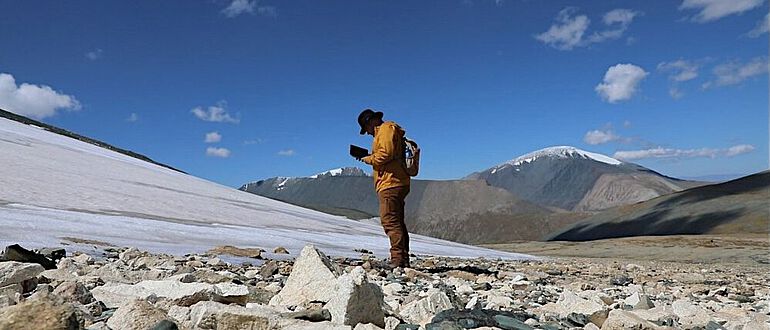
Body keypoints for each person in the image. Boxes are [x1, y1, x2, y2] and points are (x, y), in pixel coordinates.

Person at [355, 109, 411, 268]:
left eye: (365, 128)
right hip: (398, 181)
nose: (367, 133)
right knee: (397, 221)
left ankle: (397, 260)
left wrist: (367, 158)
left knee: (390, 221)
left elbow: (385, 154)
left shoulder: (385, 129)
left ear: (370, 122)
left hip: (390, 182)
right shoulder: (388, 130)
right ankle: (402, 258)